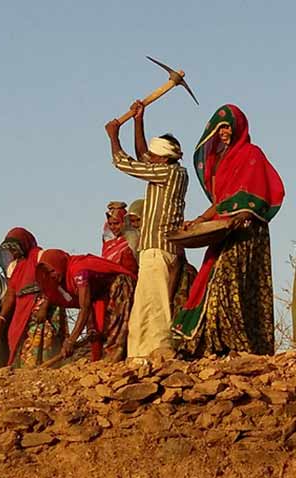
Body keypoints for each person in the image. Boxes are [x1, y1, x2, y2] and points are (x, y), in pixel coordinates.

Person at [172, 104, 284, 357]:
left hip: (247, 231)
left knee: (230, 282)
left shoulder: (252, 154)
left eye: (227, 125)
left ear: (239, 127)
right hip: (224, 229)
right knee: (212, 281)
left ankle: (237, 345)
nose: (223, 131)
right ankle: (209, 345)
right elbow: (221, 202)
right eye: (220, 126)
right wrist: (199, 220)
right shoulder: (223, 161)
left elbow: (258, 193)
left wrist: (243, 215)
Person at [105, 100, 188, 359]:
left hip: (158, 248)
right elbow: (143, 156)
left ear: (163, 158)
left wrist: (114, 137)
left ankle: (158, 351)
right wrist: (139, 120)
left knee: (155, 305)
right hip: (156, 250)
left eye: (154, 157)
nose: (149, 159)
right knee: (144, 306)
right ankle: (139, 356)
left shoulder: (170, 174)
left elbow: (126, 164)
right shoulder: (168, 170)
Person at [35, 249, 136, 362]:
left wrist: (71, 341)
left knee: (114, 330)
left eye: (52, 270)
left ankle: (114, 361)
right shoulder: (65, 279)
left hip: (118, 287)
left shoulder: (78, 270)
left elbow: (85, 307)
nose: (52, 276)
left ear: (59, 263)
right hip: (101, 294)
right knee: (97, 332)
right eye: (48, 274)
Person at [0, 228, 67, 367]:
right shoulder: (13, 267)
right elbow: (11, 294)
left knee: (45, 340)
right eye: (10, 250)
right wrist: (2, 318)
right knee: (19, 340)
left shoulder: (40, 257)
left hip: (45, 308)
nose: (13, 253)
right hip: (23, 312)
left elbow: (53, 280)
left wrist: (44, 305)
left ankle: (48, 369)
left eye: (15, 249)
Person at [101, 201, 139, 274]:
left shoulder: (133, 240)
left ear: (124, 222)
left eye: (116, 223)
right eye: (110, 224)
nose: (112, 227)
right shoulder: (108, 243)